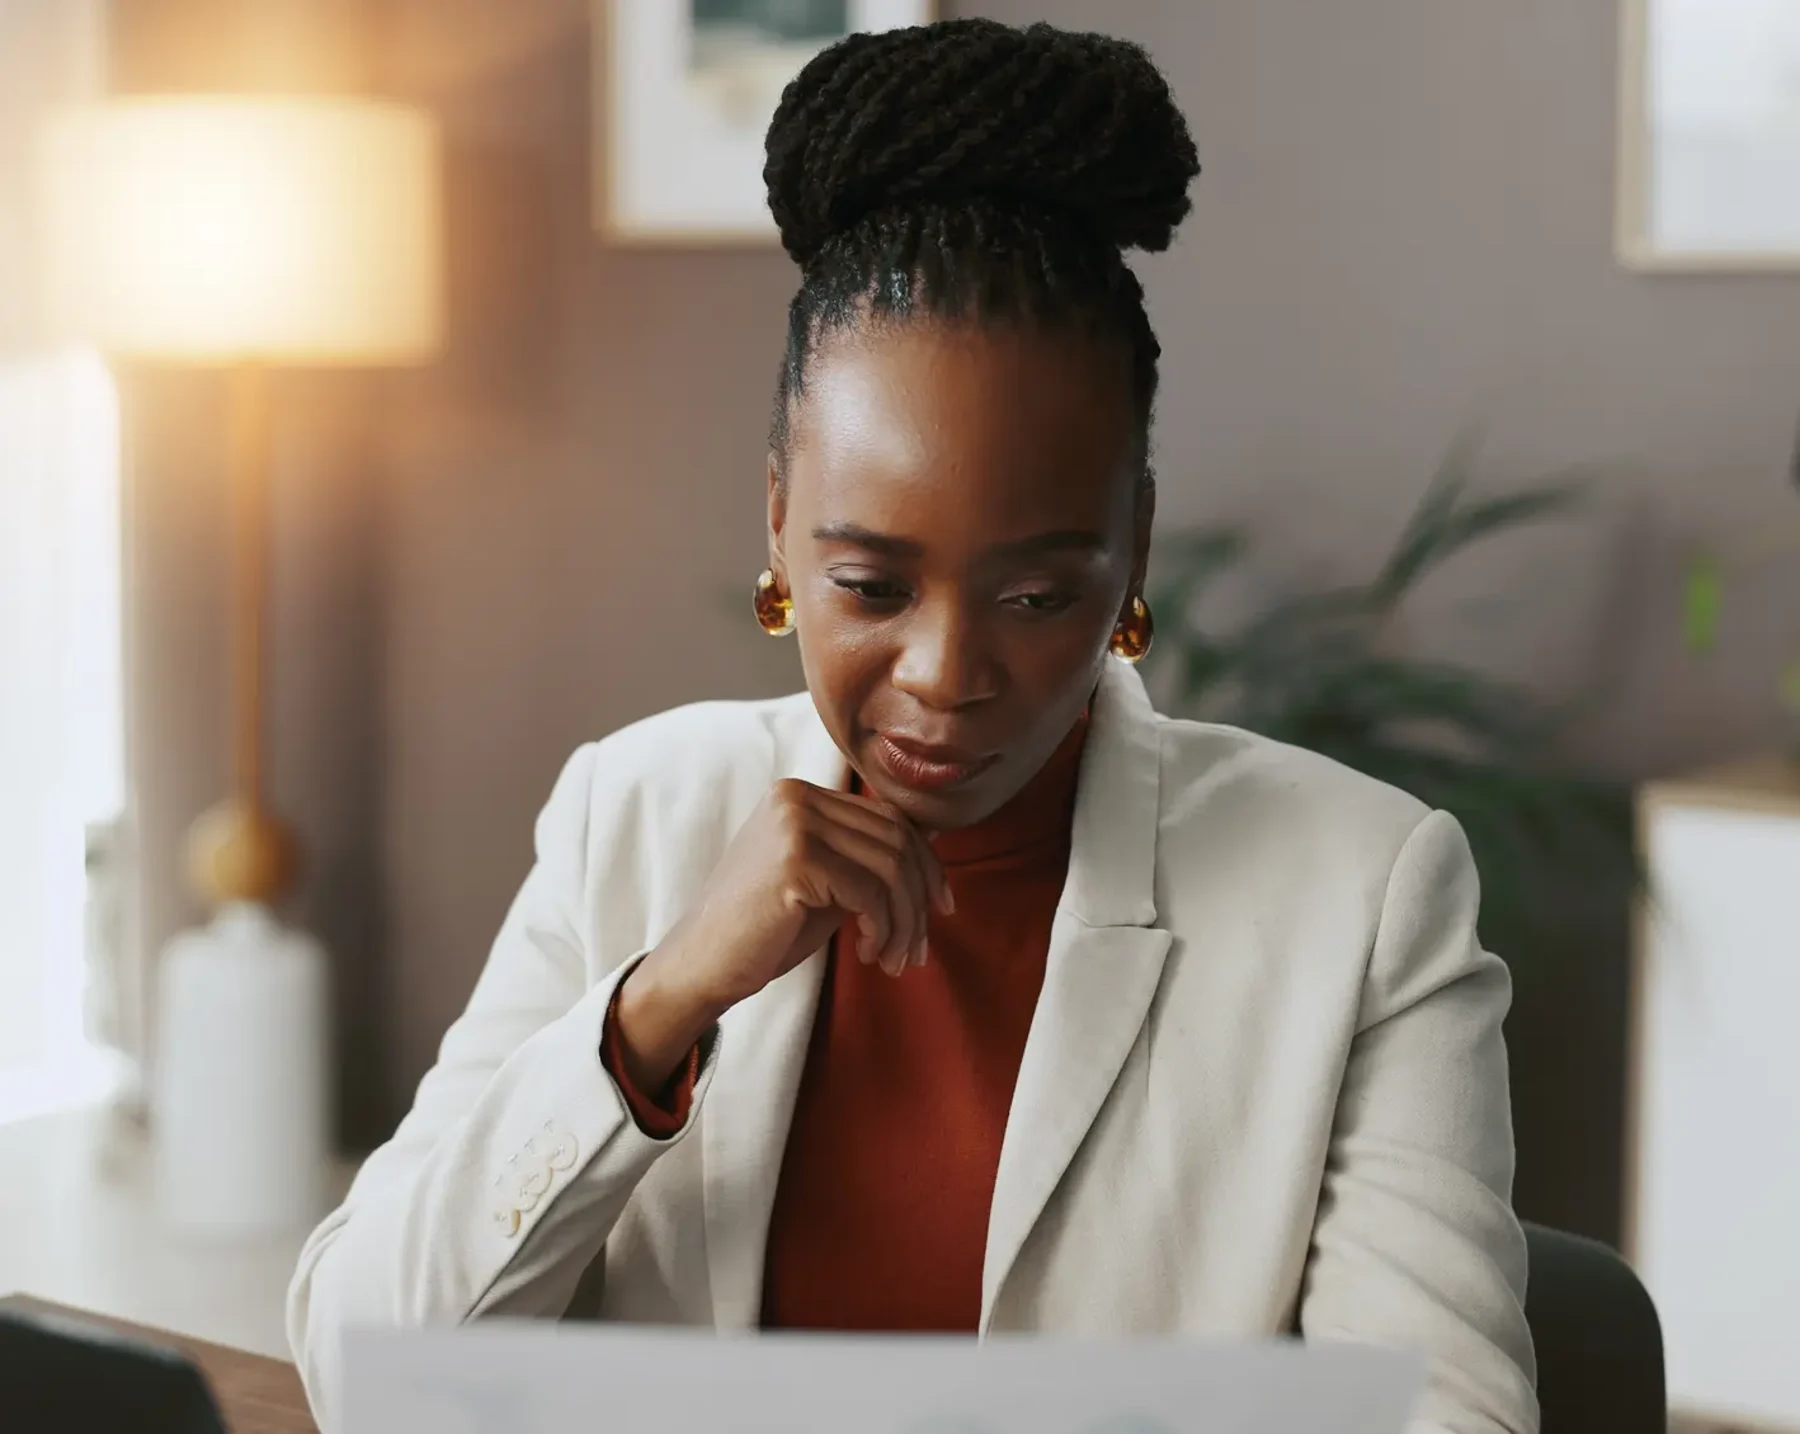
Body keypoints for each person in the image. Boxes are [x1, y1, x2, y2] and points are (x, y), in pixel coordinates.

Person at [286, 18, 1536, 1434]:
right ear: (777, 527)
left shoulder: (1363, 895)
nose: (947, 673)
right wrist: (661, 1004)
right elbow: (361, 1368)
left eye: (1036, 589)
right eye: (871, 583)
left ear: (1132, 555)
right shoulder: (631, 811)